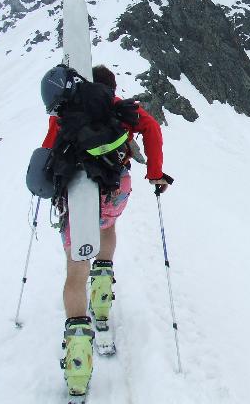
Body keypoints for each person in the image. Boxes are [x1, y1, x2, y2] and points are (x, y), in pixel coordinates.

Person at [40, 64, 172, 396]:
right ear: (110, 89)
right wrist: (155, 172)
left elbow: (48, 149)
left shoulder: (66, 111)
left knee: (75, 266)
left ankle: (78, 360)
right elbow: (153, 129)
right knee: (108, 227)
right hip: (117, 186)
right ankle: (101, 299)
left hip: (78, 194)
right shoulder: (120, 108)